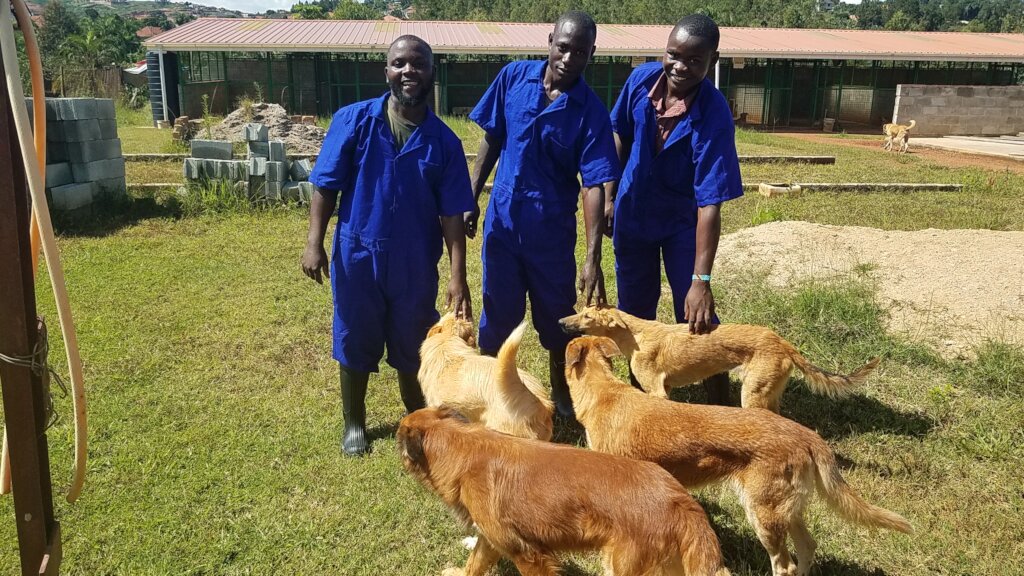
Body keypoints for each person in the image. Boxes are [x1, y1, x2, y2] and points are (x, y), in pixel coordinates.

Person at [302, 35, 474, 456]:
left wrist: (457, 277)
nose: (408, 71)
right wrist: (314, 243)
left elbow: (452, 215)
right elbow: (325, 186)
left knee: (411, 338)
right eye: (399, 64)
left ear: (432, 72)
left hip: (414, 260)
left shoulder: (445, 142)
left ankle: (417, 418)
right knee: (354, 332)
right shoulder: (354, 121)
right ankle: (354, 423)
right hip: (357, 252)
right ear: (387, 71)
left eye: (418, 64)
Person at [465, 10, 620, 418]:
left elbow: (594, 183)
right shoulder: (514, 78)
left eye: (580, 52)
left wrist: (592, 256)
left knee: (556, 317)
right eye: (563, 47)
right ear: (549, 40)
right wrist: (471, 195)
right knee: (498, 313)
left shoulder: (589, 111)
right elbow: (491, 140)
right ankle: (495, 390)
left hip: (550, 231)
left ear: (592, 54)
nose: (568, 59)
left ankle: (562, 389)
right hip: (503, 224)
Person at [607, 14, 743, 405]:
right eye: (673, 54)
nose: (680, 67)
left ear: (712, 62)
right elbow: (619, 134)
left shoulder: (713, 115)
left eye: (694, 60)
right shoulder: (640, 82)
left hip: (683, 224)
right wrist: (612, 194)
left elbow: (710, 202)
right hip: (634, 215)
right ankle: (642, 403)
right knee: (633, 314)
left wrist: (701, 279)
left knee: (697, 317)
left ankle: (721, 405)